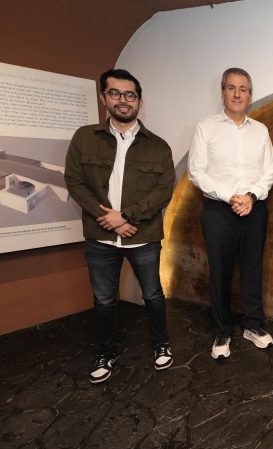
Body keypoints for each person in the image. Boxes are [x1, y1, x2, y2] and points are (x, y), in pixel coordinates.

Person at [65, 69, 175, 384]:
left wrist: (126, 216)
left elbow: (163, 190)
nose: (123, 100)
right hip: (101, 238)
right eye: (115, 93)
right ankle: (107, 352)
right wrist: (109, 220)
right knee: (103, 299)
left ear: (139, 101)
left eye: (130, 95)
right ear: (104, 97)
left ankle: (161, 344)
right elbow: (74, 181)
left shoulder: (158, 146)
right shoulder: (85, 137)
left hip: (143, 236)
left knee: (153, 294)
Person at [188, 67, 273, 359]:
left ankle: (252, 325)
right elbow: (196, 173)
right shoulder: (206, 127)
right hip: (219, 211)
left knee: (252, 269)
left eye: (243, 89)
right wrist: (231, 197)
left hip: (254, 208)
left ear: (250, 95)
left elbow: (269, 171)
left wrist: (250, 197)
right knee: (221, 272)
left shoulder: (260, 130)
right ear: (222, 92)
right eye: (231, 88)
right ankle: (223, 332)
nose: (238, 94)